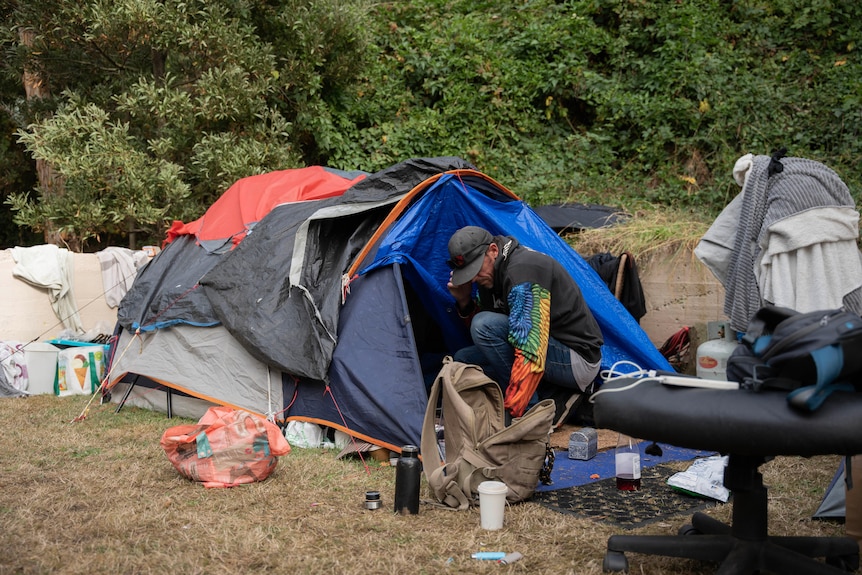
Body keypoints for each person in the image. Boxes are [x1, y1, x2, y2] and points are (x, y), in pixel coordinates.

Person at [446, 225, 603, 420]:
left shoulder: (523, 272)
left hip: (577, 360)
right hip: (545, 348)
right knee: (464, 359)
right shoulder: (491, 275)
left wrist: (515, 414)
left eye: (476, 269)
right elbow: (490, 341)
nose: (475, 278)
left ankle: (530, 414)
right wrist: (464, 301)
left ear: (493, 250)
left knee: (483, 324)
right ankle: (543, 396)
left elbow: (530, 350)